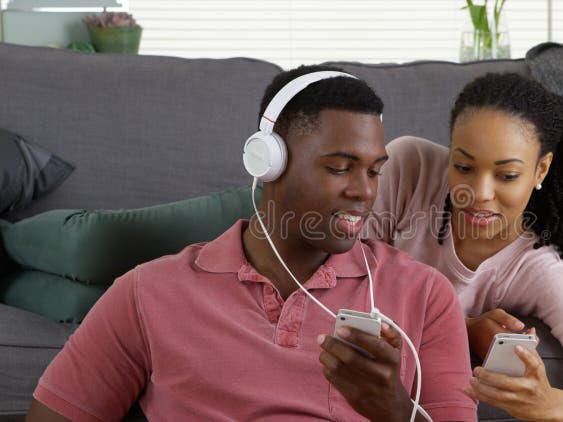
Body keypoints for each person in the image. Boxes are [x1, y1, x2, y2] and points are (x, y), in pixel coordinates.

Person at [25, 65, 477, 422]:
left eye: (374, 170)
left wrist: (396, 414)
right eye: (340, 167)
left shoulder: (423, 296)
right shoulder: (146, 293)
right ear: (268, 162)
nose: (364, 192)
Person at [365, 72, 563, 421]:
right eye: (463, 166)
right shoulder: (410, 167)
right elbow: (335, 280)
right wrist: (463, 327)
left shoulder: (538, 270)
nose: (479, 192)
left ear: (540, 170)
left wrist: (547, 405)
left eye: (507, 175)